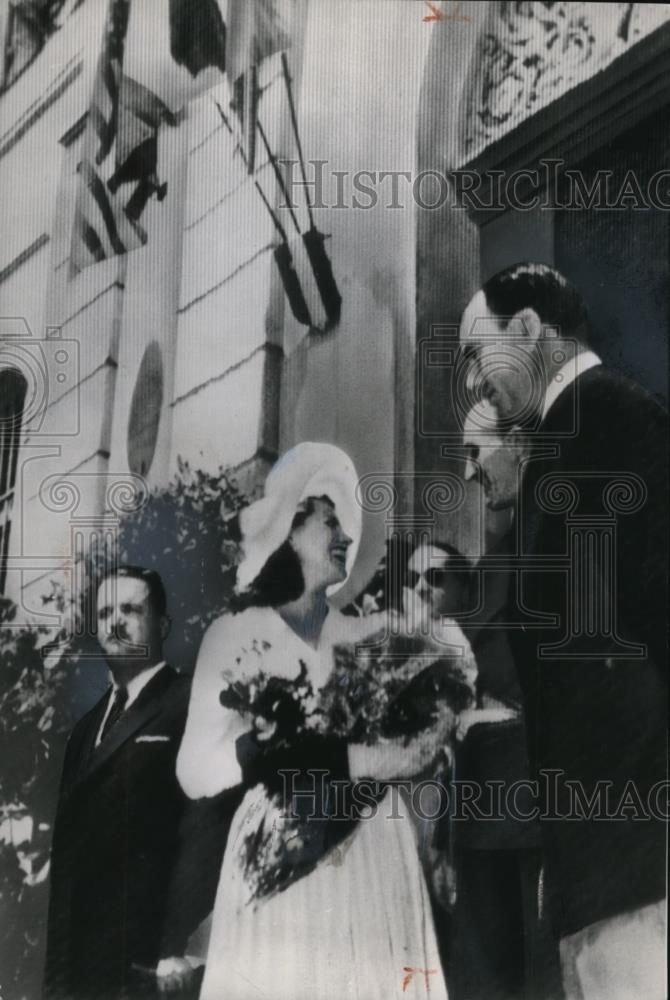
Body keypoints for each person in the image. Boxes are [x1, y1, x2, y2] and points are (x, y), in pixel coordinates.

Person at [176, 442, 456, 1000]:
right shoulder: (234, 635)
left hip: (373, 849)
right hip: (282, 846)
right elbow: (192, 769)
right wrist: (266, 754)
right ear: (289, 524)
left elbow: (419, 726)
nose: (347, 538)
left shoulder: (367, 637)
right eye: (331, 520)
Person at [459, 263, 667, 1000]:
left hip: (639, 848)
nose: (478, 382)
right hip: (595, 859)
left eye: (480, 354)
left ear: (525, 330)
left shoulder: (608, 411)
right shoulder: (562, 435)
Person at [44, 565, 238, 1000]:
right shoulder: (84, 731)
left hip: (153, 962)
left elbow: (207, 830)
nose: (115, 622)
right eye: (106, 612)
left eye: (131, 609)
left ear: (162, 625)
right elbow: (67, 864)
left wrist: (178, 945)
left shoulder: (194, 700)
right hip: (83, 968)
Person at [448, 401, 563, 1000]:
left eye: (476, 452)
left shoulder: (561, 539)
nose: (469, 473)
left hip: (541, 805)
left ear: (519, 446)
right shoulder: (491, 561)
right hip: (479, 813)